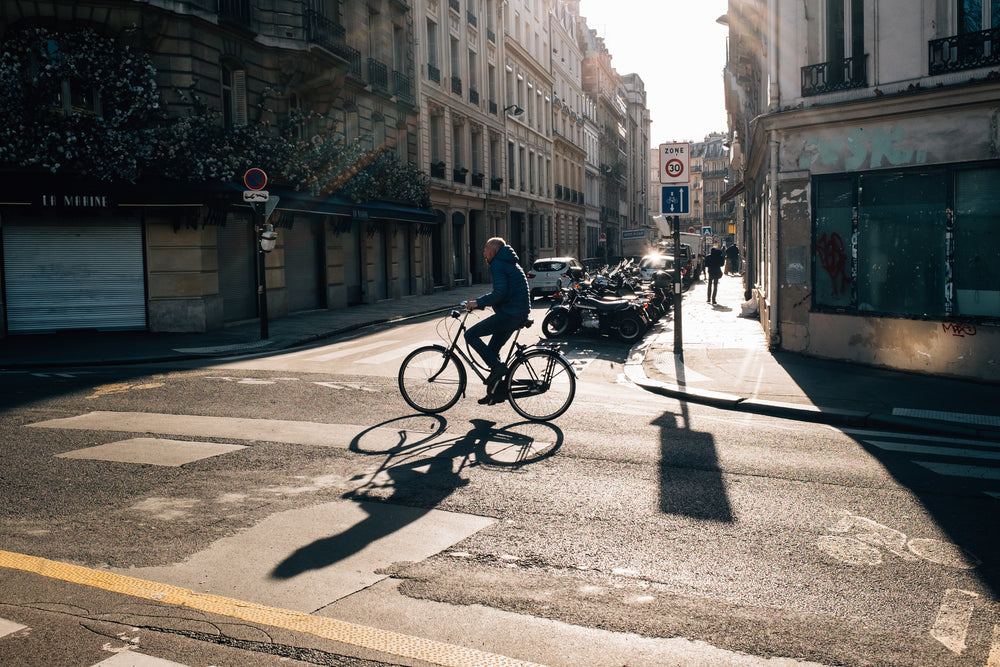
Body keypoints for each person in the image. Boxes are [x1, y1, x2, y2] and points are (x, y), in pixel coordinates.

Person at [464, 237, 531, 404]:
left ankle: (498, 370)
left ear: (492, 250)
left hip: (511, 313)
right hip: (517, 312)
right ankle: (495, 392)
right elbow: (505, 292)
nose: (483, 252)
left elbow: (499, 293)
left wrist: (477, 303)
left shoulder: (497, 264)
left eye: (485, 248)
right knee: (492, 351)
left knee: (470, 335)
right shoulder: (508, 261)